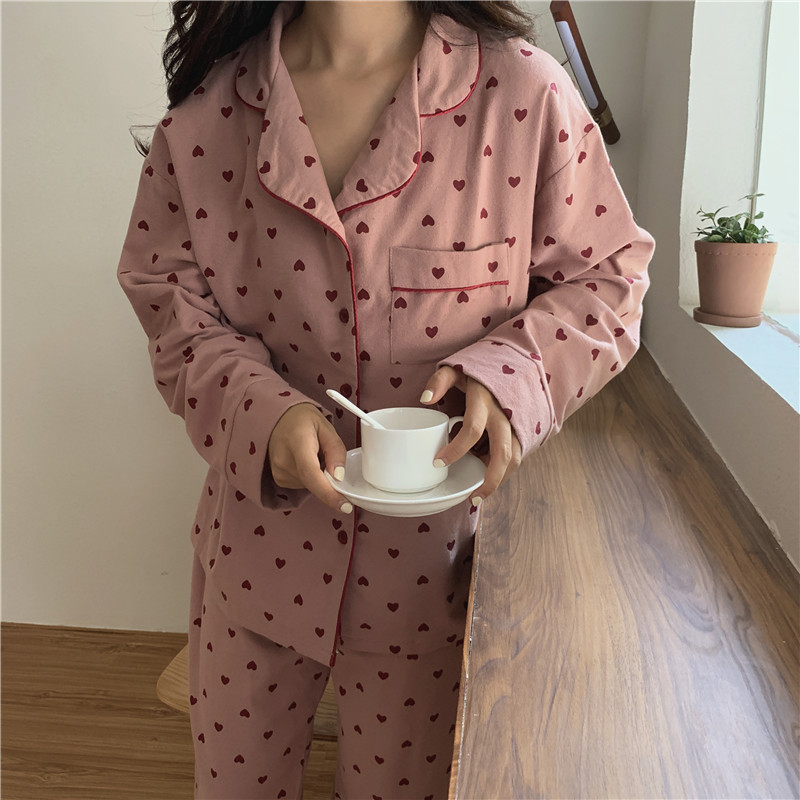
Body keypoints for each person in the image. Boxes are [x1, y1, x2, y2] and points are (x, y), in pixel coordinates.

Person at [117, 1, 655, 797]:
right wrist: (263, 413)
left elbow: (608, 278)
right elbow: (172, 308)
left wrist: (508, 376)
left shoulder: (523, 97)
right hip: (258, 566)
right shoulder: (205, 122)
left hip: (438, 585)